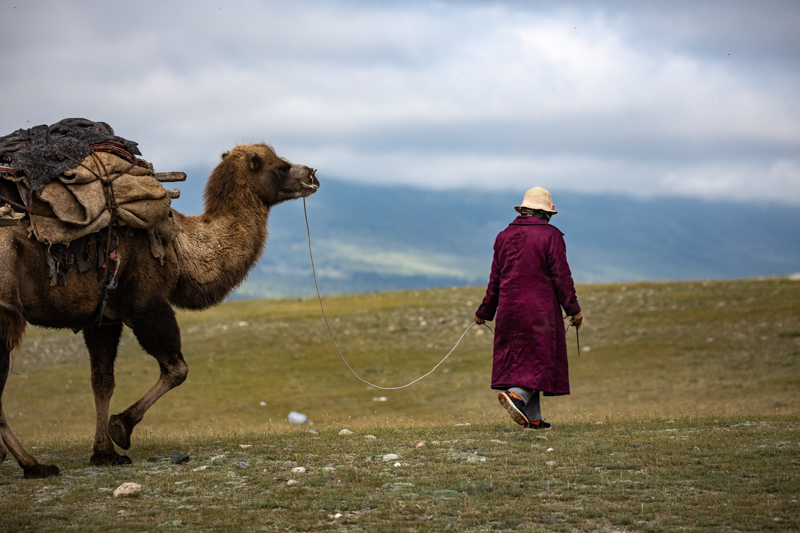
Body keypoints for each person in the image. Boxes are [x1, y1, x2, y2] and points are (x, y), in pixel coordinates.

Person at [474, 187, 582, 429]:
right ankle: (517, 395)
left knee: (523, 359)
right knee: (541, 358)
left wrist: (485, 311)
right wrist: (573, 310)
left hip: (509, 312)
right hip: (540, 310)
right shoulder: (551, 237)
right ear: (546, 213)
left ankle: (533, 419)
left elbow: (496, 279)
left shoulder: (503, 236)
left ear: (524, 210)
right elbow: (562, 277)